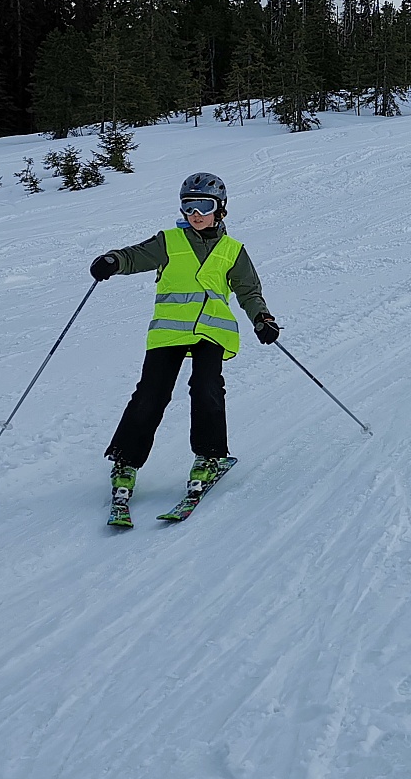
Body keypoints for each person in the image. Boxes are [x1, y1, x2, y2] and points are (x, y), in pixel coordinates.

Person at [88, 171, 280, 524]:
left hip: (212, 331)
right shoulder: (169, 241)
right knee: (151, 394)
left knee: (206, 388)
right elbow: (135, 256)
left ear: (220, 208)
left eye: (203, 206)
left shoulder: (233, 251)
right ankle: (126, 461)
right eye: (188, 206)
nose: (195, 214)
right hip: (169, 333)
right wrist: (113, 261)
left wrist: (262, 319)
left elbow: (248, 290)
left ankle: (210, 456)